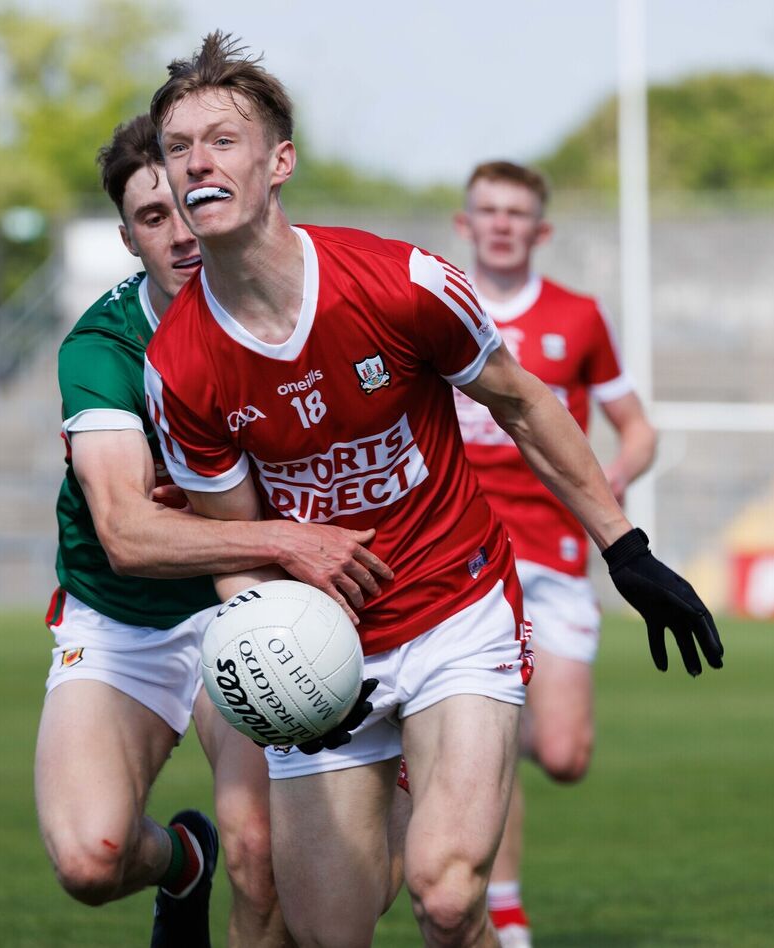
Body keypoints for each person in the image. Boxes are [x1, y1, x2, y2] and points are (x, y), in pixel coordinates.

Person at [143, 33, 722, 948]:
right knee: (332, 930)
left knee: (448, 898)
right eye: (178, 148)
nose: (197, 163)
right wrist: (287, 673)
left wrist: (626, 549)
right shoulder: (178, 365)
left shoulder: (401, 283)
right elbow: (237, 545)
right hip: (322, 646)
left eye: (222, 139)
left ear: (278, 161)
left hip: (457, 608)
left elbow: (527, 404)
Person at [36, 113, 392, 948]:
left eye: (182, 206)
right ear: (127, 238)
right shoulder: (103, 349)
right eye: (150, 219)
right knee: (92, 859)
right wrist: (282, 537)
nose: (178, 231)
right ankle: (183, 861)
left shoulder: (290, 308)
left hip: (254, 605)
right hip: (125, 613)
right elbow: (126, 533)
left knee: (262, 857)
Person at [452, 160, 657, 947]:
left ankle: (450, 746)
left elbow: (637, 426)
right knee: (490, 728)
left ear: (541, 230)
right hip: (460, 558)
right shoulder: (435, 305)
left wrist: (614, 475)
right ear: (466, 224)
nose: (502, 223)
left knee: (565, 755)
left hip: (558, 551)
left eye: (518, 213)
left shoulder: (577, 317)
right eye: (489, 210)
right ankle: (504, 908)